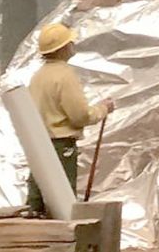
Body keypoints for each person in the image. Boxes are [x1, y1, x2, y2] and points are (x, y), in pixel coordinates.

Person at [27, 23, 113, 217]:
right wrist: (103, 109)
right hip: (61, 146)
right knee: (62, 202)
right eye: (70, 42)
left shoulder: (38, 77)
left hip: (39, 144)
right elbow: (80, 116)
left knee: (37, 201)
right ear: (63, 48)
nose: (73, 44)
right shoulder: (65, 76)